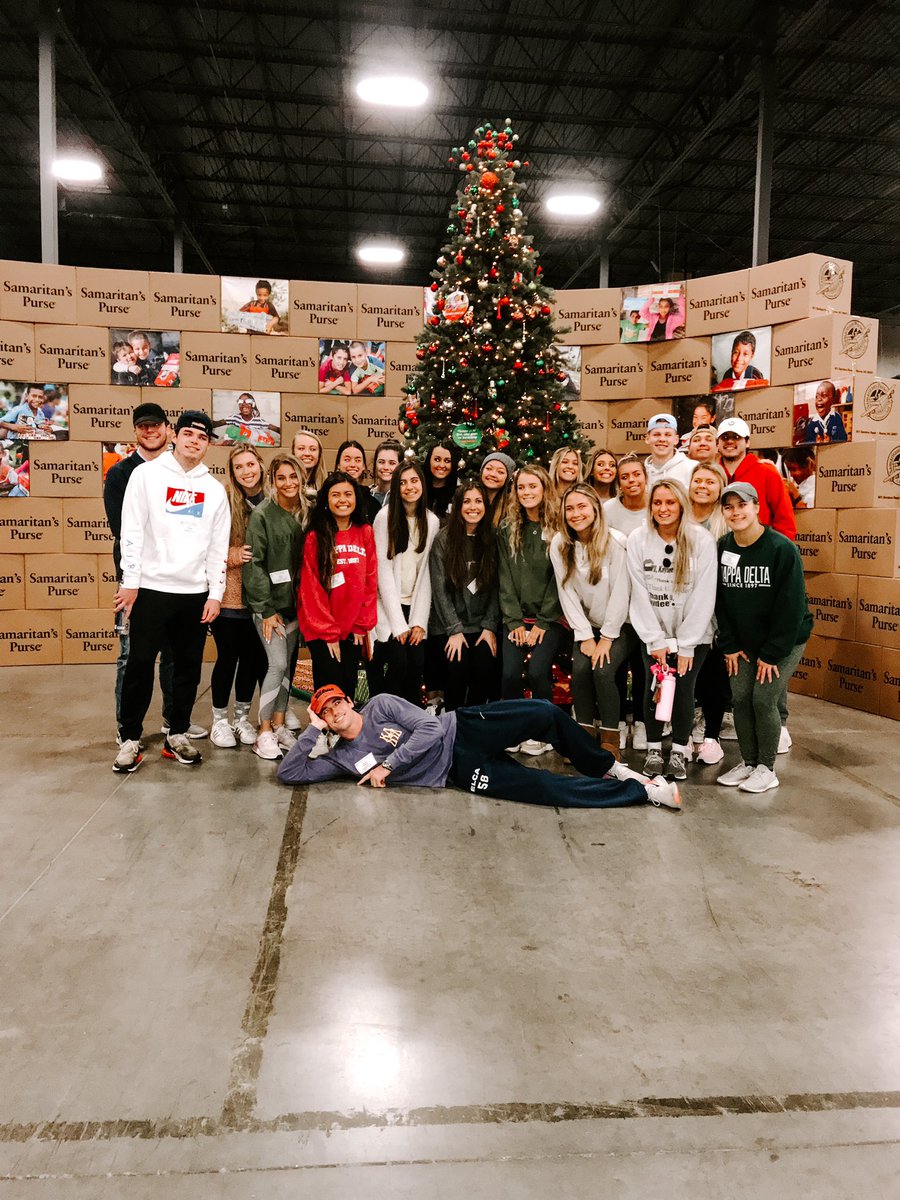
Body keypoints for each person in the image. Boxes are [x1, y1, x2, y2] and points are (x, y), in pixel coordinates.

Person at [277, 685, 682, 812]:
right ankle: (643, 791)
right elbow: (291, 773)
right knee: (540, 788)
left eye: (337, 703)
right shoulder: (342, 759)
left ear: (350, 702)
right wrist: (311, 732)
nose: (335, 711)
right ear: (326, 721)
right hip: (455, 772)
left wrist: (389, 765)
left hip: (464, 728)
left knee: (543, 712)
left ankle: (611, 768)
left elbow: (430, 728)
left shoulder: (381, 705)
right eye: (325, 712)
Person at [112, 411, 230, 773]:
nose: (195, 441)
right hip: (150, 590)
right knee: (140, 666)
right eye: (189, 434)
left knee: (188, 670)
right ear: (174, 436)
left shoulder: (213, 490)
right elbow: (131, 531)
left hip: (194, 594)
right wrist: (130, 582)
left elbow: (217, 546)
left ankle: (176, 733)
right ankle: (130, 737)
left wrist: (215, 594)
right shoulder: (144, 476)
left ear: (208, 445)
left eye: (203, 437)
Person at [103, 402, 207, 746]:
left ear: (168, 430)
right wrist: (136, 578)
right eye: (143, 427)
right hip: (138, 580)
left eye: (156, 425)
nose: (150, 431)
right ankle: (126, 727)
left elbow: (188, 527)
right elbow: (128, 529)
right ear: (135, 431)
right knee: (132, 654)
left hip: (177, 583)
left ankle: (172, 721)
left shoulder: (187, 475)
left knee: (175, 656)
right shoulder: (123, 474)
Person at [715, 482, 812, 793]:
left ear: (756, 507)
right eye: (728, 507)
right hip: (742, 643)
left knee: (764, 698)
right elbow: (718, 600)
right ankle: (749, 762)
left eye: (741, 505)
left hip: (783, 641)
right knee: (741, 697)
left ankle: (766, 769)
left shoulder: (781, 549)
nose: (735, 512)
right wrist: (729, 644)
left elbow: (792, 607)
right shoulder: (723, 547)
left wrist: (771, 654)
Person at [627, 478, 716, 781]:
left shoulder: (701, 540)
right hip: (653, 636)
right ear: (650, 507)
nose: (663, 509)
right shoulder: (638, 540)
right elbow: (638, 593)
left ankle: (678, 750)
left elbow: (704, 594)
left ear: (681, 505)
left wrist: (687, 643)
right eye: (657, 503)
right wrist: (655, 640)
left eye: (670, 502)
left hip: (693, 636)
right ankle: (654, 749)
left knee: (683, 691)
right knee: (656, 690)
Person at [550, 484, 633, 760]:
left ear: (596, 509)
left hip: (621, 624)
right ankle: (584, 734)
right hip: (586, 625)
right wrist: (585, 635)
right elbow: (567, 592)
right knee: (582, 669)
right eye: (570, 508)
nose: (576, 514)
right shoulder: (560, 544)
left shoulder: (616, 542)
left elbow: (623, 592)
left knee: (602, 671)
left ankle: (611, 737)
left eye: (582, 506)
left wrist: (607, 637)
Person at [243, 454, 307, 760]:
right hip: (269, 608)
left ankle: (280, 725)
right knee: (278, 664)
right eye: (282, 477)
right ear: (272, 480)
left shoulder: (306, 512)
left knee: (288, 669)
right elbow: (254, 564)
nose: (289, 483)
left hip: (296, 607)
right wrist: (266, 609)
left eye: (293, 476)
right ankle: (264, 731)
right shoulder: (263, 515)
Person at [497, 464, 563, 754]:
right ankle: (512, 729)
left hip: (549, 620)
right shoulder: (508, 528)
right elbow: (505, 578)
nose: (526, 492)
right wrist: (513, 623)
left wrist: (542, 623)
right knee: (510, 675)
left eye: (532, 486)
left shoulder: (559, 526)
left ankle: (544, 732)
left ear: (544, 488)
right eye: (521, 487)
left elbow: (559, 580)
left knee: (537, 672)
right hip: (515, 619)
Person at [208, 446, 269, 749]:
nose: (246, 471)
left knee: (252, 659)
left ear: (260, 464)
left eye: (250, 464)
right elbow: (205, 544)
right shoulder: (224, 501)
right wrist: (234, 555)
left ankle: (242, 718)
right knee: (227, 657)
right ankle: (219, 721)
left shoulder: (272, 500)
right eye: (238, 467)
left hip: (261, 599)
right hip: (230, 594)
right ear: (231, 473)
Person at [297, 470, 377, 697]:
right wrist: (328, 633)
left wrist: (362, 624)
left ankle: (342, 731)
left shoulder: (365, 532)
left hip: (353, 627)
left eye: (348, 494)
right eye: (336, 495)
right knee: (328, 682)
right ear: (326, 500)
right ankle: (322, 730)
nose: (342, 500)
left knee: (348, 681)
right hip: (321, 627)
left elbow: (370, 582)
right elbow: (311, 589)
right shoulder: (316, 536)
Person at [371, 459, 439, 704]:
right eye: (403, 482)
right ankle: (381, 714)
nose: (410, 487)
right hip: (387, 608)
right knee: (398, 661)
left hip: (415, 606)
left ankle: (411, 721)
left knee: (416, 663)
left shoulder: (431, 521)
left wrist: (419, 621)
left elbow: (427, 575)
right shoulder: (384, 517)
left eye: (414, 480)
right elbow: (383, 572)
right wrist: (398, 624)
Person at [429, 480, 500, 711]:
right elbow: (439, 591)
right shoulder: (444, 539)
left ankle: (476, 727)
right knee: (457, 669)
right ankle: (453, 725)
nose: (473, 507)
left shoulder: (492, 539)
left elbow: (497, 588)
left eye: (478, 501)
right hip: (450, 626)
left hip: (481, 625)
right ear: (458, 506)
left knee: (484, 667)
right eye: (467, 501)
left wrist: (489, 626)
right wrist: (454, 629)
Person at [603, 453, 650, 753]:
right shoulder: (608, 509)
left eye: (636, 475)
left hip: (650, 602)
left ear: (645, 478)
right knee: (617, 667)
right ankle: (618, 722)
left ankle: (644, 723)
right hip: (617, 599)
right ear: (618, 482)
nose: (631, 481)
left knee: (644, 667)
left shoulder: (657, 506)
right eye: (625, 477)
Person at [687, 461, 731, 766]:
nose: (702, 486)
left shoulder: (726, 522)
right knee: (688, 676)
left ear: (720, 488)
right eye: (697, 481)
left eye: (710, 482)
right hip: (684, 609)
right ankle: (685, 734)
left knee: (715, 675)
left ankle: (712, 735)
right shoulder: (678, 517)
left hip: (718, 609)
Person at [716, 418, 796, 540]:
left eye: (736, 437)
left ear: (747, 442)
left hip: (759, 549)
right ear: (718, 444)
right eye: (725, 437)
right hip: (719, 548)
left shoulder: (766, 471)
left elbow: (785, 520)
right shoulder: (712, 474)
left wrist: (779, 552)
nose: (730, 441)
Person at [643, 413, 695, 491]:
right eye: (656, 434)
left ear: (676, 439)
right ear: (647, 439)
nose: (662, 439)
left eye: (668, 435)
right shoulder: (641, 473)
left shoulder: (692, 468)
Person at [335, 439, 381, 522]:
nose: (352, 465)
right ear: (338, 464)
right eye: (347, 460)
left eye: (358, 460)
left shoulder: (372, 503)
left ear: (363, 466)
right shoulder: (325, 496)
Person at [423, 441, 461, 521]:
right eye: (437, 459)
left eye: (447, 461)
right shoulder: (418, 489)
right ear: (429, 460)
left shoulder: (459, 494)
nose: (442, 465)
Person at [479, 450, 516, 527]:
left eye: (500, 472)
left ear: (507, 478)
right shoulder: (468, 499)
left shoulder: (511, 507)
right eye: (489, 469)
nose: (493, 474)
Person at [291, 429, 327, 499]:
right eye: (301, 448)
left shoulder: (327, 486)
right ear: (293, 452)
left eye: (313, 449)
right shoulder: (284, 485)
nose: (307, 453)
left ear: (319, 454)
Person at [370, 439, 403, 510]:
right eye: (381, 462)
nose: (386, 467)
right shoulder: (367, 494)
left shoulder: (404, 496)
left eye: (392, 463)